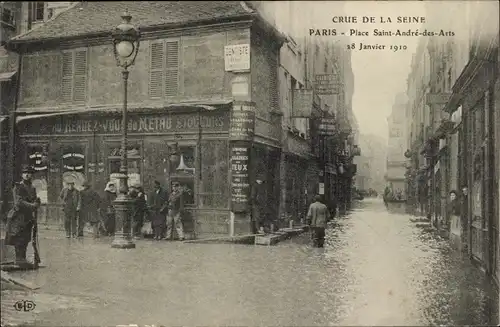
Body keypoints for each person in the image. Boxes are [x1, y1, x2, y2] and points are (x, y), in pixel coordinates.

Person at [4, 165, 41, 267]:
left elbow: (34, 200)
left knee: (26, 238)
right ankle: (19, 259)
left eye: (29, 173)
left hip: (28, 217)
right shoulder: (18, 186)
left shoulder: (32, 188)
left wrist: (37, 203)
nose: (27, 175)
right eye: (25, 173)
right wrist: (32, 205)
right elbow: (19, 202)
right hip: (18, 217)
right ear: (22, 175)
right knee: (18, 238)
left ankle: (23, 259)